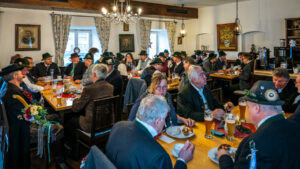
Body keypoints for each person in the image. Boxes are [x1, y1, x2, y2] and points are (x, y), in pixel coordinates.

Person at [217, 80, 300, 169]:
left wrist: (223, 157)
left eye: (248, 107)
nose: (248, 111)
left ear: (257, 108)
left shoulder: (255, 142)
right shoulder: (296, 126)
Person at [106, 95, 195, 169]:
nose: (164, 123)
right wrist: (182, 160)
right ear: (157, 121)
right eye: (164, 119)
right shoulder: (159, 156)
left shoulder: (117, 126)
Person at [65, 64, 113, 150]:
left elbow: (76, 109)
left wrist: (75, 100)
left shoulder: (89, 89)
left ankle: (72, 150)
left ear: (94, 75)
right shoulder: (110, 87)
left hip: (91, 125)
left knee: (69, 120)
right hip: (107, 122)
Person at [129, 73, 195, 127]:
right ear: (153, 88)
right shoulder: (145, 101)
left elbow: (172, 116)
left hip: (169, 135)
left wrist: (184, 120)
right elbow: (132, 122)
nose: (162, 91)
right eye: (158, 87)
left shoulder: (167, 96)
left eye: (164, 87)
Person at [1, 64, 31, 169]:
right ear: (15, 76)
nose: (23, 75)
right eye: (20, 73)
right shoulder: (12, 93)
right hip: (19, 132)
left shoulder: (9, 88)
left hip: (18, 126)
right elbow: (23, 116)